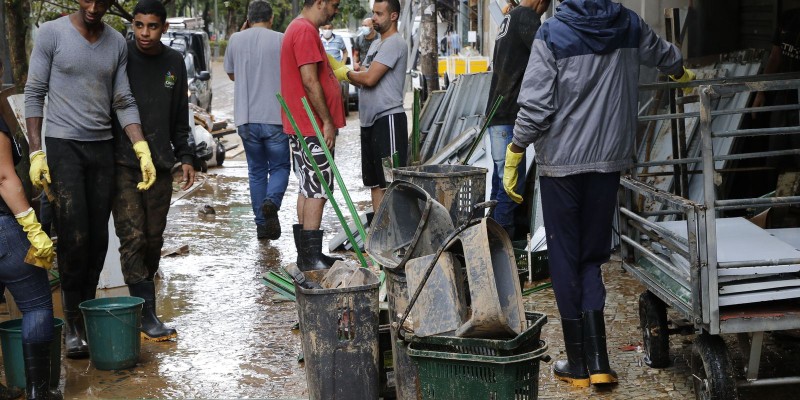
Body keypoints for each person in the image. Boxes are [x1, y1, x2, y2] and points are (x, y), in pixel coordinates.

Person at [504, 0, 692, 388]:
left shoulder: (552, 33)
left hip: (562, 166)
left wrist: (516, 148)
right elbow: (665, 54)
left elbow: (537, 106)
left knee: (564, 259)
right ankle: (600, 362)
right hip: (608, 162)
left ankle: (578, 365)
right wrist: (679, 71)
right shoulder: (628, 24)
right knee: (592, 258)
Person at [25, 0, 156, 358]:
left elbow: (123, 98)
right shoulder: (52, 33)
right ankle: (70, 324)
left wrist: (140, 145)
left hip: (102, 148)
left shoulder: (115, 42)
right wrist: (37, 152)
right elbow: (34, 94)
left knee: (98, 239)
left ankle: (84, 316)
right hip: (64, 146)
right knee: (74, 236)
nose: (94, 6)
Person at [111, 0, 195, 342]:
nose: (145, 33)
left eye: (153, 26)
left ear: (163, 28)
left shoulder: (174, 62)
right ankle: (146, 314)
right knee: (132, 237)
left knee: (154, 239)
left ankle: (144, 306)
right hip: (122, 163)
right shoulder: (120, 57)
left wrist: (187, 156)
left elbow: (180, 118)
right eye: (139, 25)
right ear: (133, 24)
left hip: (160, 164)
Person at [0, 58, 60, 400]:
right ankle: (39, 392)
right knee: (37, 305)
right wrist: (32, 227)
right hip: (4, 231)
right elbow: (5, 177)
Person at [280, 0, 345, 271]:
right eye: (333, 4)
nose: (335, 10)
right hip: (311, 125)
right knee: (318, 187)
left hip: (302, 123)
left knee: (308, 186)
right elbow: (309, 80)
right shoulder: (304, 31)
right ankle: (310, 256)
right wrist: (327, 123)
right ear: (319, 2)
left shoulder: (298, 28)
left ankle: (307, 255)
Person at [333, 0, 407, 211]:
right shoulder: (376, 44)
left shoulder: (395, 43)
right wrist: (349, 73)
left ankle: (394, 236)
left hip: (388, 119)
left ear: (393, 16)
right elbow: (362, 74)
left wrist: (344, 73)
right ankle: (379, 236)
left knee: (391, 182)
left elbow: (369, 78)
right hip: (369, 121)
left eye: (379, 14)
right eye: (373, 13)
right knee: (374, 182)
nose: (373, 18)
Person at [225, 0, 290, 241]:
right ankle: (272, 201)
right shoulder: (281, 39)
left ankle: (261, 226)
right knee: (281, 167)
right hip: (275, 117)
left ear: (249, 19)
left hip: (246, 118)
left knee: (256, 171)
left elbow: (232, 74)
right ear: (271, 19)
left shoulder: (235, 39)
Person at [485, 0, 550, 238]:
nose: (544, 12)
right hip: (509, 113)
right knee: (511, 187)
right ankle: (504, 245)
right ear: (542, 2)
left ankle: (489, 238)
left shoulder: (509, 18)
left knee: (499, 182)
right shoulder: (527, 18)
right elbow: (546, 57)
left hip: (498, 112)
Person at [752, 7, 800, 175]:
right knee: (780, 155)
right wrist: (761, 91)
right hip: (784, 97)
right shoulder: (789, 17)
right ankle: (786, 197)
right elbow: (775, 57)